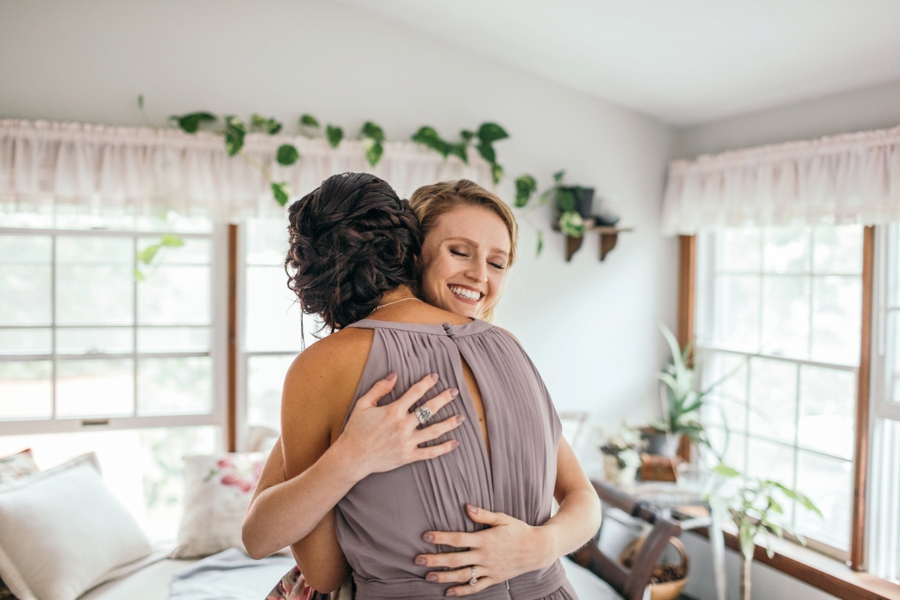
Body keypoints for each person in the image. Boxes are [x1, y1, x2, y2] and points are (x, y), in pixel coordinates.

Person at [242, 174, 601, 599]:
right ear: (412, 252)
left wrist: (540, 545)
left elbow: (322, 572)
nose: (478, 274)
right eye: (458, 251)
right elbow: (581, 497)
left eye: (497, 263)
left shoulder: (329, 365)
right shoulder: (510, 347)